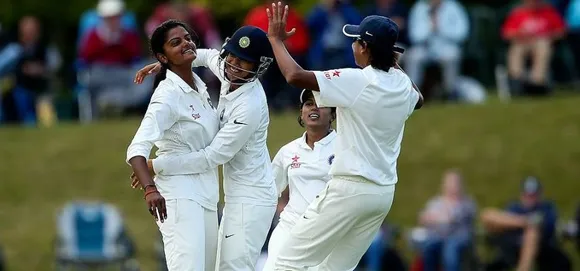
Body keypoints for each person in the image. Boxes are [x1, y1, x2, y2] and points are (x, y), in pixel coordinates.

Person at [264, 3, 423, 270]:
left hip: (350, 188)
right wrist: (392, 63)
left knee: (285, 263)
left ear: (365, 48)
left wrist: (275, 40)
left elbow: (294, 76)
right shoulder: (401, 84)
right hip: (382, 195)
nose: (352, 47)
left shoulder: (359, 81)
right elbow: (418, 100)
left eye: (356, 42)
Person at [134, 25, 278, 271]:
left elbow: (212, 156)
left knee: (233, 268)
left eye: (244, 63)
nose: (234, 65)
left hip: (252, 196)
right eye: (231, 56)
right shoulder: (228, 72)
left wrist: (155, 165)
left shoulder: (250, 106)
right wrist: (167, 64)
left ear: (258, 67)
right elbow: (205, 55)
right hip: (229, 194)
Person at [126, 20, 220, 271]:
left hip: (208, 193)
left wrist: (170, 60)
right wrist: (150, 190)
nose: (186, 44)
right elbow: (137, 149)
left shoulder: (200, 87)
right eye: (175, 42)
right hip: (179, 196)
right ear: (162, 55)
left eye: (187, 38)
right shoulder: (167, 96)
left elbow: (214, 57)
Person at [263, 89, 337, 270]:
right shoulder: (288, 151)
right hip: (290, 227)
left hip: (327, 231)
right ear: (302, 113)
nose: (314, 108)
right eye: (309, 104)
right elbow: (269, 190)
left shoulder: (345, 146)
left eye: (321, 104)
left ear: (333, 115)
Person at [481, 176, 571, 271]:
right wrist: (525, 221)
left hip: (541, 249)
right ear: (522, 194)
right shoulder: (514, 208)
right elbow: (489, 217)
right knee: (487, 214)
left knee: (532, 232)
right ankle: (525, 222)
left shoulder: (546, 208)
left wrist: (531, 226)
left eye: (533, 195)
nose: (530, 198)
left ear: (539, 195)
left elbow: (548, 226)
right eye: (527, 195)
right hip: (512, 246)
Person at [418, 170, 477, 271]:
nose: (451, 186)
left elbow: (452, 219)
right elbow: (423, 218)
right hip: (437, 237)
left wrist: (436, 218)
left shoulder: (466, 203)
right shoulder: (435, 202)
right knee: (428, 247)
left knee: (450, 249)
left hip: (459, 238)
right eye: (449, 183)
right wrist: (439, 218)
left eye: (454, 183)